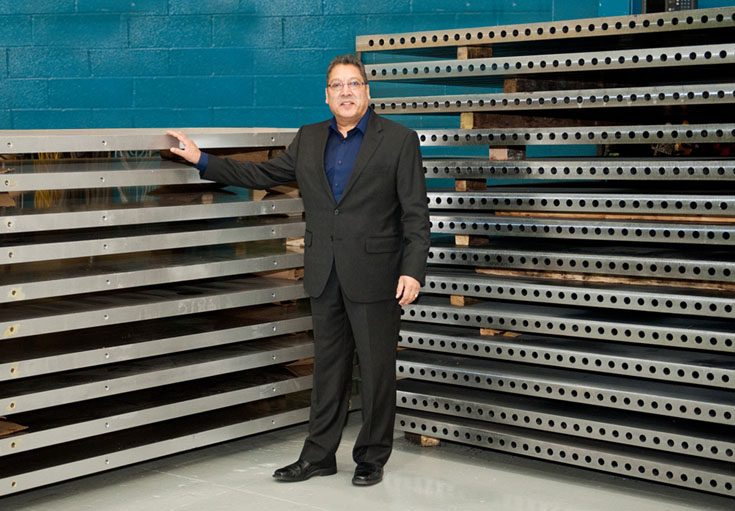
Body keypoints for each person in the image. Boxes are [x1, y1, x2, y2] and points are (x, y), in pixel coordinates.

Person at [167, 54, 430, 487]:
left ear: (367, 92)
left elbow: (415, 213)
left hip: (376, 274)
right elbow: (261, 173)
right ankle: (319, 456)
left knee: (377, 370)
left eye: (354, 84)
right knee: (328, 369)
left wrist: (413, 270)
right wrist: (202, 160)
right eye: (337, 85)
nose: (346, 92)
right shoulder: (308, 138)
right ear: (326, 96)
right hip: (324, 273)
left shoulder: (399, 140)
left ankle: (371, 457)